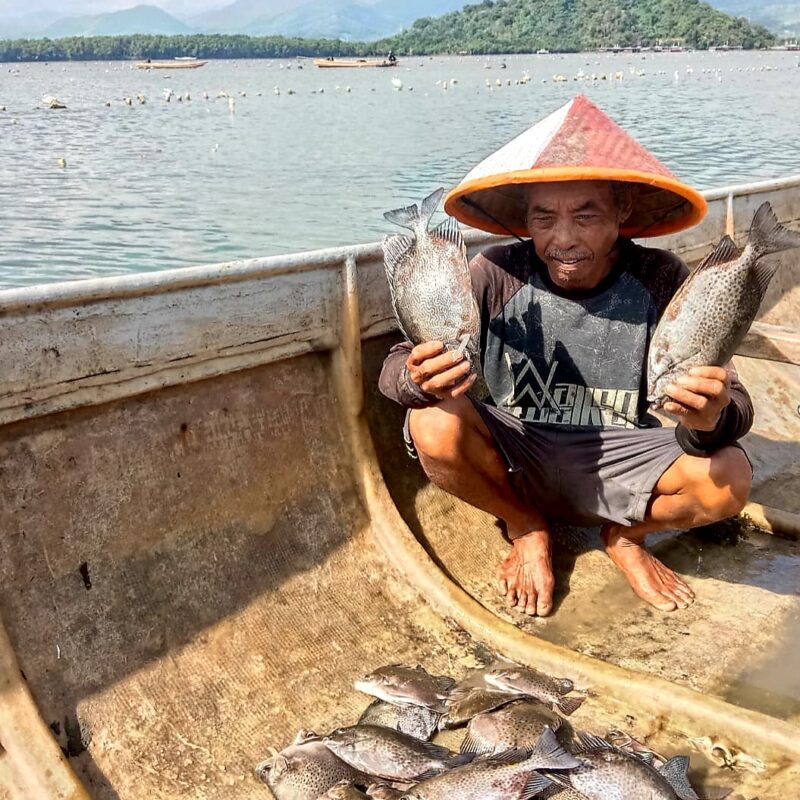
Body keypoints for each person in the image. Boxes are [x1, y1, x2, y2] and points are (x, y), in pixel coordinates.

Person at [378, 96, 753, 617]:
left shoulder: (661, 276)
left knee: (729, 475)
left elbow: (733, 402)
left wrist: (709, 419)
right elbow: (395, 369)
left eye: (586, 215)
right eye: (544, 218)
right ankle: (525, 526)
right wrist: (417, 378)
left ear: (621, 211)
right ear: (526, 220)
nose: (564, 239)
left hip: (622, 459)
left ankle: (625, 537)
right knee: (431, 422)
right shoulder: (498, 270)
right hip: (519, 450)